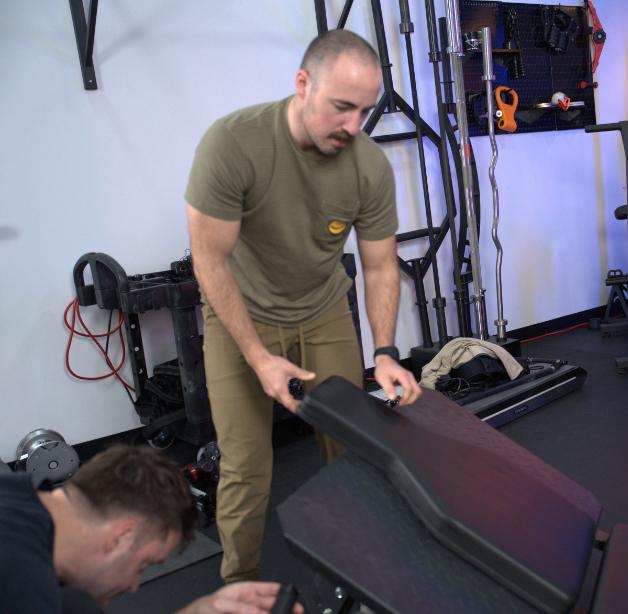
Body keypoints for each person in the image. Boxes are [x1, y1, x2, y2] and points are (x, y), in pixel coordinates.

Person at [185, 28, 422, 583]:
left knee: (352, 447)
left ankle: (366, 576)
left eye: (364, 111)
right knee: (247, 468)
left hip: (322, 311)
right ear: (303, 85)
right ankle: (239, 585)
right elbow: (210, 263)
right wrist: (258, 357)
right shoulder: (232, 143)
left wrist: (384, 353)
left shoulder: (367, 166)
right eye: (341, 107)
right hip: (239, 315)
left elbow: (381, 265)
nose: (352, 126)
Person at [0, 444, 301, 614]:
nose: (133, 585)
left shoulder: (19, 494)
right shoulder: (22, 580)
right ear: (120, 538)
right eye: (143, 565)